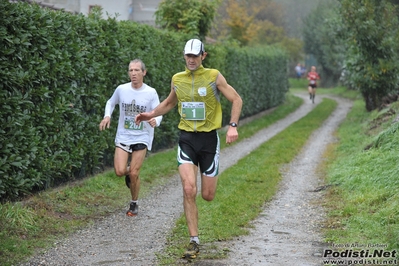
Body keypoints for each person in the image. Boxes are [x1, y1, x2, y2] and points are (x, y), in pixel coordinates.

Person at [135, 39, 243, 259]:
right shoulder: (177, 79)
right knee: (188, 189)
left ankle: (196, 231)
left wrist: (232, 126)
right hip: (186, 139)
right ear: (184, 56)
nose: (191, 60)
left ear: (203, 55)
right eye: (188, 56)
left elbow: (236, 99)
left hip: (209, 140)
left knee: (208, 195)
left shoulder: (213, 76)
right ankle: (194, 241)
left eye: (195, 56)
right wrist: (151, 114)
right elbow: (169, 103)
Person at [99, 59, 162, 217]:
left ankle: (134, 203)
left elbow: (158, 111)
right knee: (120, 171)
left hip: (142, 136)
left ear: (144, 72)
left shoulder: (150, 92)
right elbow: (110, 103)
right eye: (131, 70)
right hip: (124, 135)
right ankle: (129, 175)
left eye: (136, 70)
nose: (133, 73)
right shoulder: (122, 89)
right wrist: (107, 116)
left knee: (134, 173)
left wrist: (156, 120)